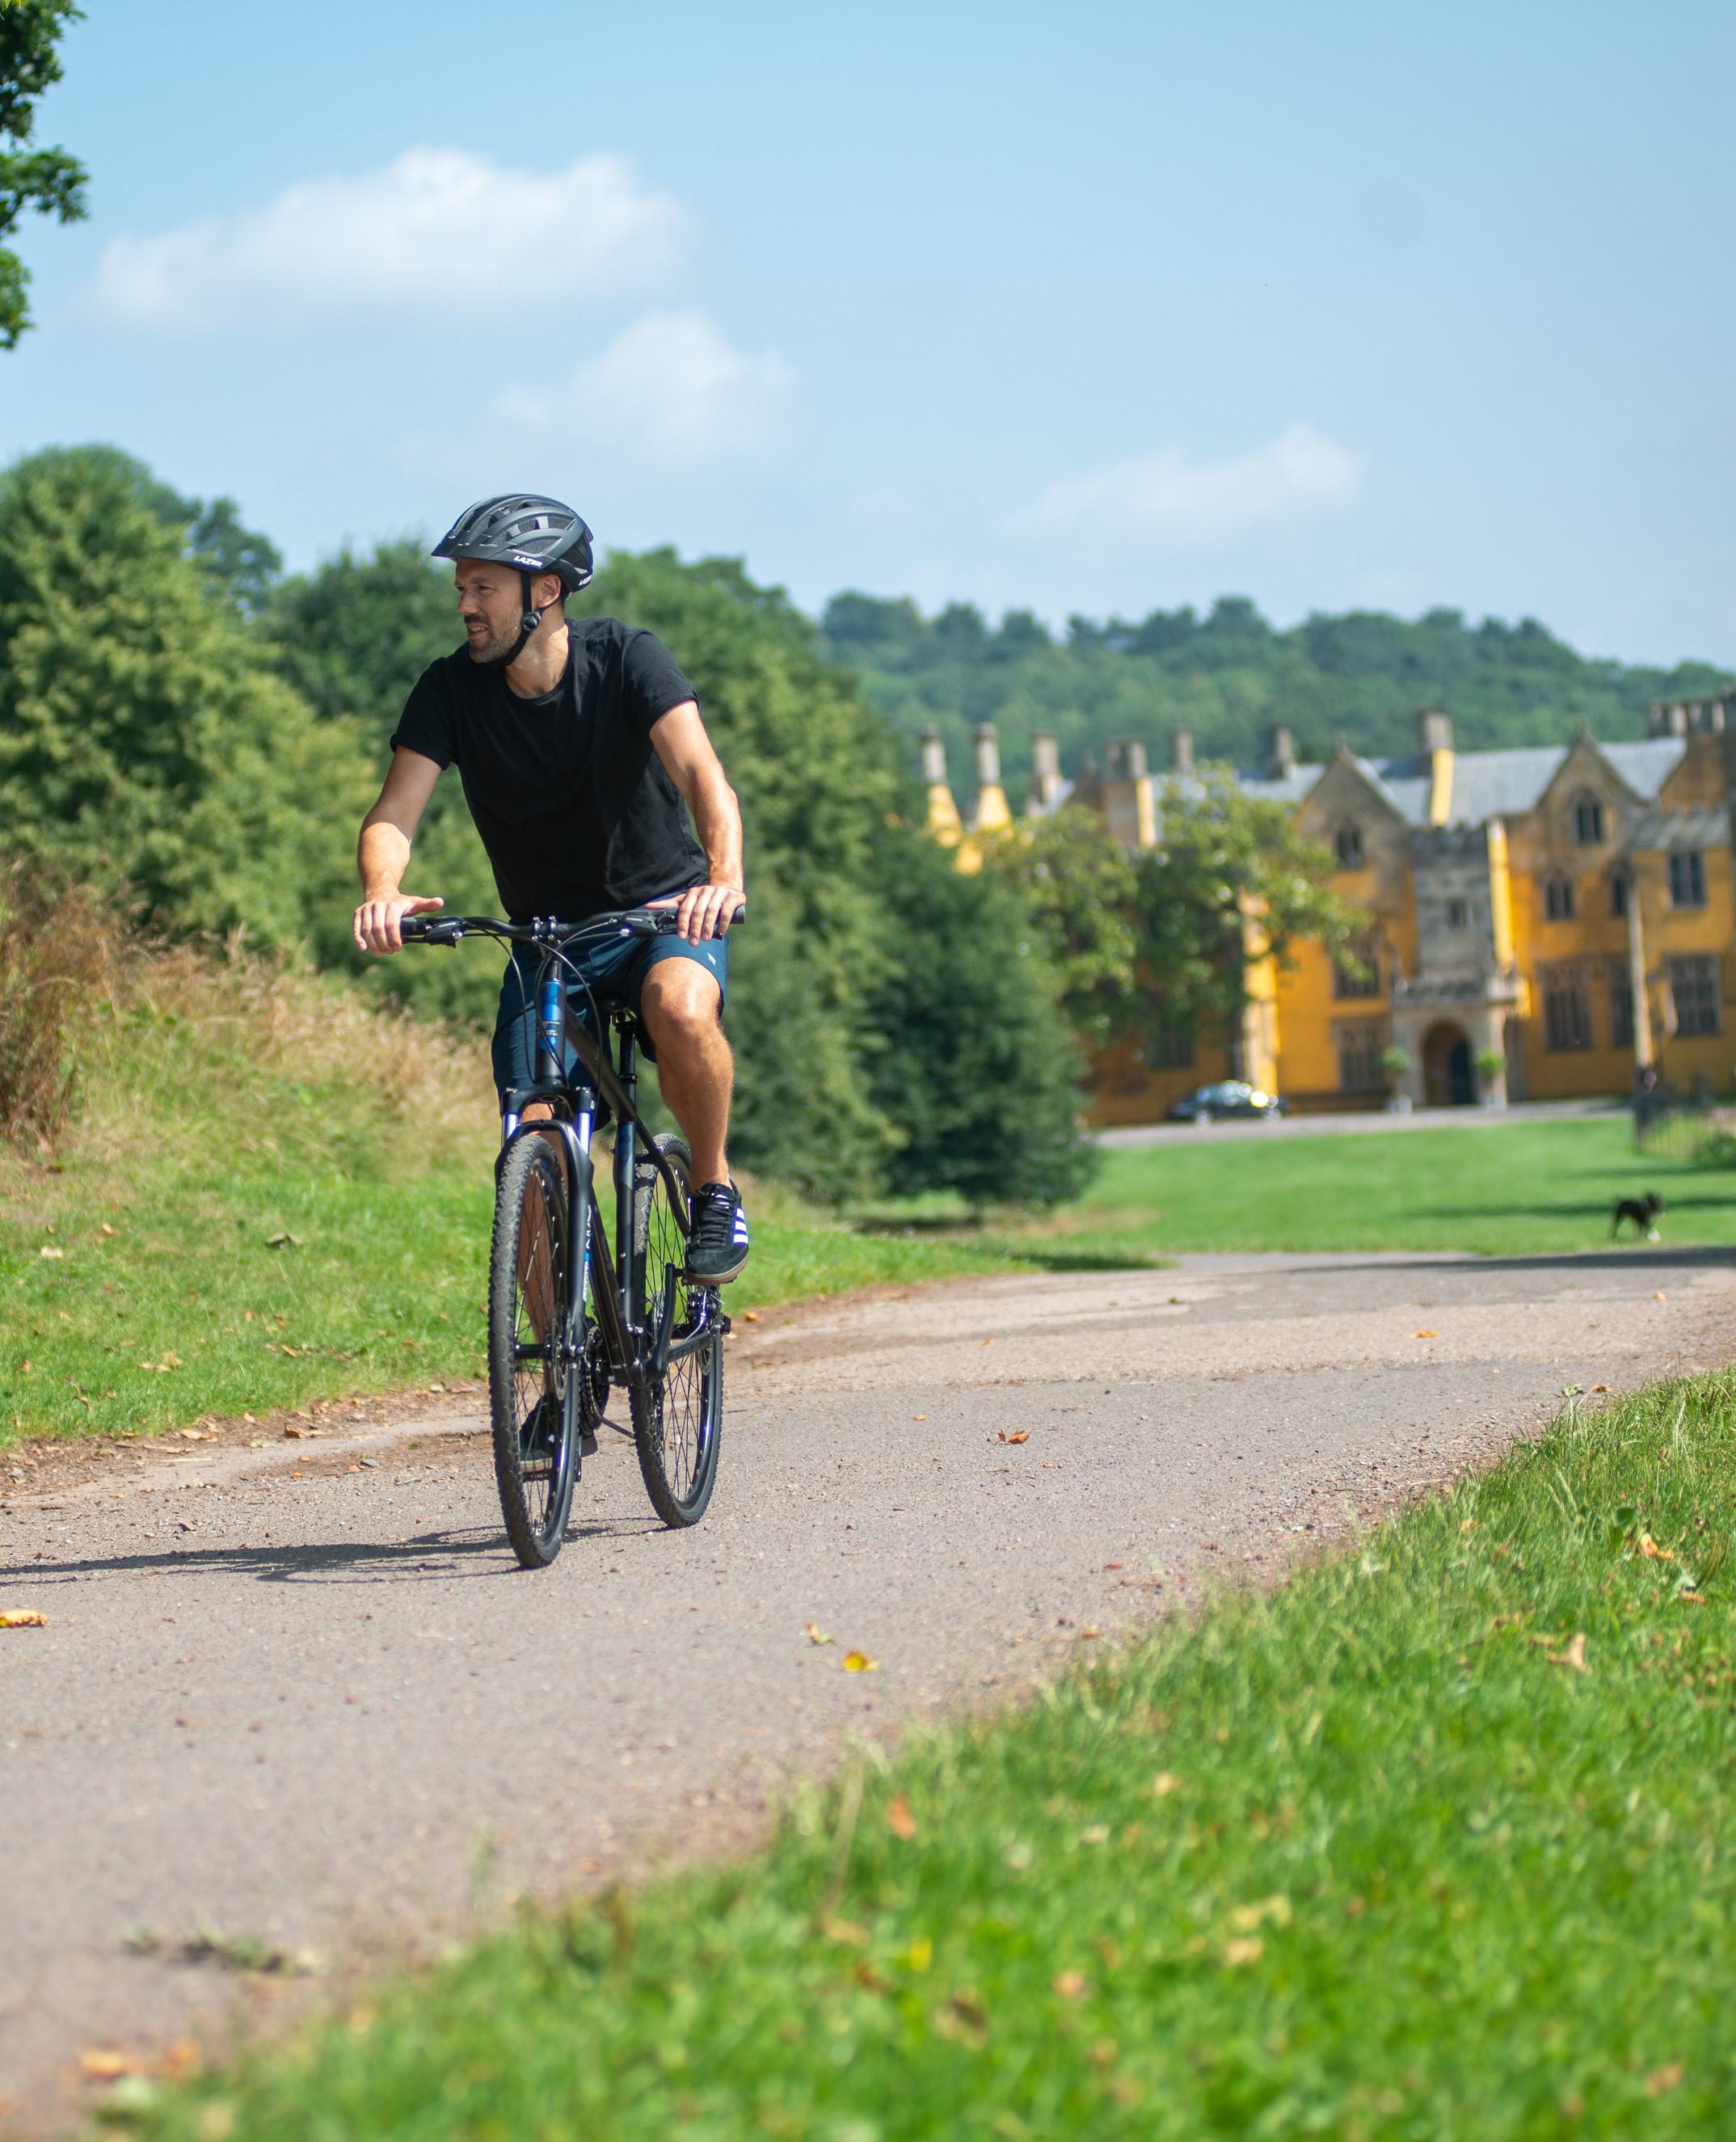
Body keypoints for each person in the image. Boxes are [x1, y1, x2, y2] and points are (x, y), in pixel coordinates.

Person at [352, 493, 750, 1284]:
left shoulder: (630, 659)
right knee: (527, 1148)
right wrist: (383, 888)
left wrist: (724, 878)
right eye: (461, 587)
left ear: (546, 591)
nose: (464, 604)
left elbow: (705, 776)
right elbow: (393, 813)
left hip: (662, 913)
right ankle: (560, 1386)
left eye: (482, 587)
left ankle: (712, 1185)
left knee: (678, 1007)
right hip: (546, 936)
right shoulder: (449, 691)